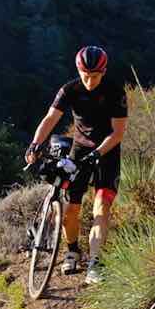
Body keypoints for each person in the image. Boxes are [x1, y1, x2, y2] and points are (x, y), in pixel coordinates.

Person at [25, 46, 127, 285]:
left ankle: (95, 262)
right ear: (78, 70)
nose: (90, 81)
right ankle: (72, 251)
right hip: (79, 150)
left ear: (103, 72)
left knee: (101, 208)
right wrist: (35, 144)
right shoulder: (70, 89)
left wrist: (98, 153)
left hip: (107, 151)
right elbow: (50, 118)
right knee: (71, 210)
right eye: (85, 75)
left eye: (95, 76)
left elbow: (118, 132)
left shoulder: (115, 92)